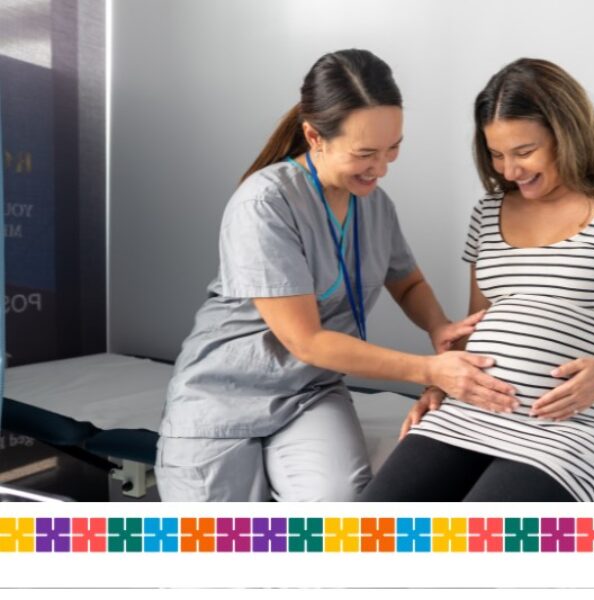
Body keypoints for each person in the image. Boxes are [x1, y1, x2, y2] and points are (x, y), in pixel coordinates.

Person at [154, 49, 517, 502]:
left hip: (310, 392)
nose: (381, 169)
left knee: (342, 521)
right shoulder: (264, 203)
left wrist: (438, 326)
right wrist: (430, 370)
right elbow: (306, 341)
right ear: (314, 136)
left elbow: (408, 282)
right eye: (365, 153)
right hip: (222, 397)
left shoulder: (374, 204)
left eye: (393, 149)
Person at [360, 58, 594, 502]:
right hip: (471, 414)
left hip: (574, 427)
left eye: (524, 152)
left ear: (567, 135)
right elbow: (475, 322)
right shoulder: (488, 212)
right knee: (369, 530)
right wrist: (438, 384)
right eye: (496, 155)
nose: (509, 170)